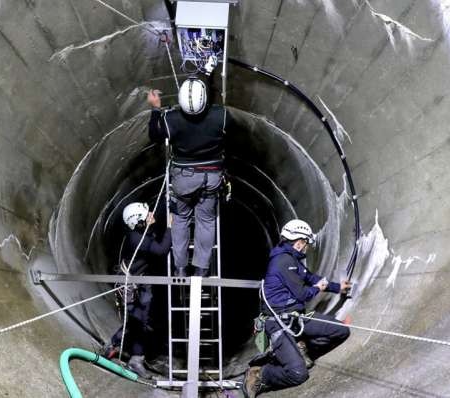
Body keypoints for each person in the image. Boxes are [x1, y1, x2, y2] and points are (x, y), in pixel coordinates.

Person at [242, 219, 352, 397]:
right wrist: (318, 289)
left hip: (295, 317)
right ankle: (260, 374)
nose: (307, 247)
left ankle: (302, 348)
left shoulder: (292, 259)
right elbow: (303, 294)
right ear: (299, 242)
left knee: (340, 331)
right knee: (298, 374)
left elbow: (311, 277)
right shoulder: (283, 262)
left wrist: (337, 287)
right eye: (307, 243)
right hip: (277, 323)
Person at [147, 77, 229, 277]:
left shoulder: (171, 119)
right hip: (211, 177)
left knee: (181, 218)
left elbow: (154, 135)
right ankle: (201, 269)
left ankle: (181, 268)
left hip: (184, 179)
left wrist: (156, 109)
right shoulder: (221, 115)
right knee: (206, 220)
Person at [103, 202, 171, 378]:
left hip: (140, 283)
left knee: (139, 321)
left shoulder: (140, 233)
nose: (151, 213)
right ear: (139, 221)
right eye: (146, 213)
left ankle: (116, 347)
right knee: (138, 322)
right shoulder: (136, 238)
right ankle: (133, 358)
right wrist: (171, 227)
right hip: (130, 285)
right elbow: (161, 250)